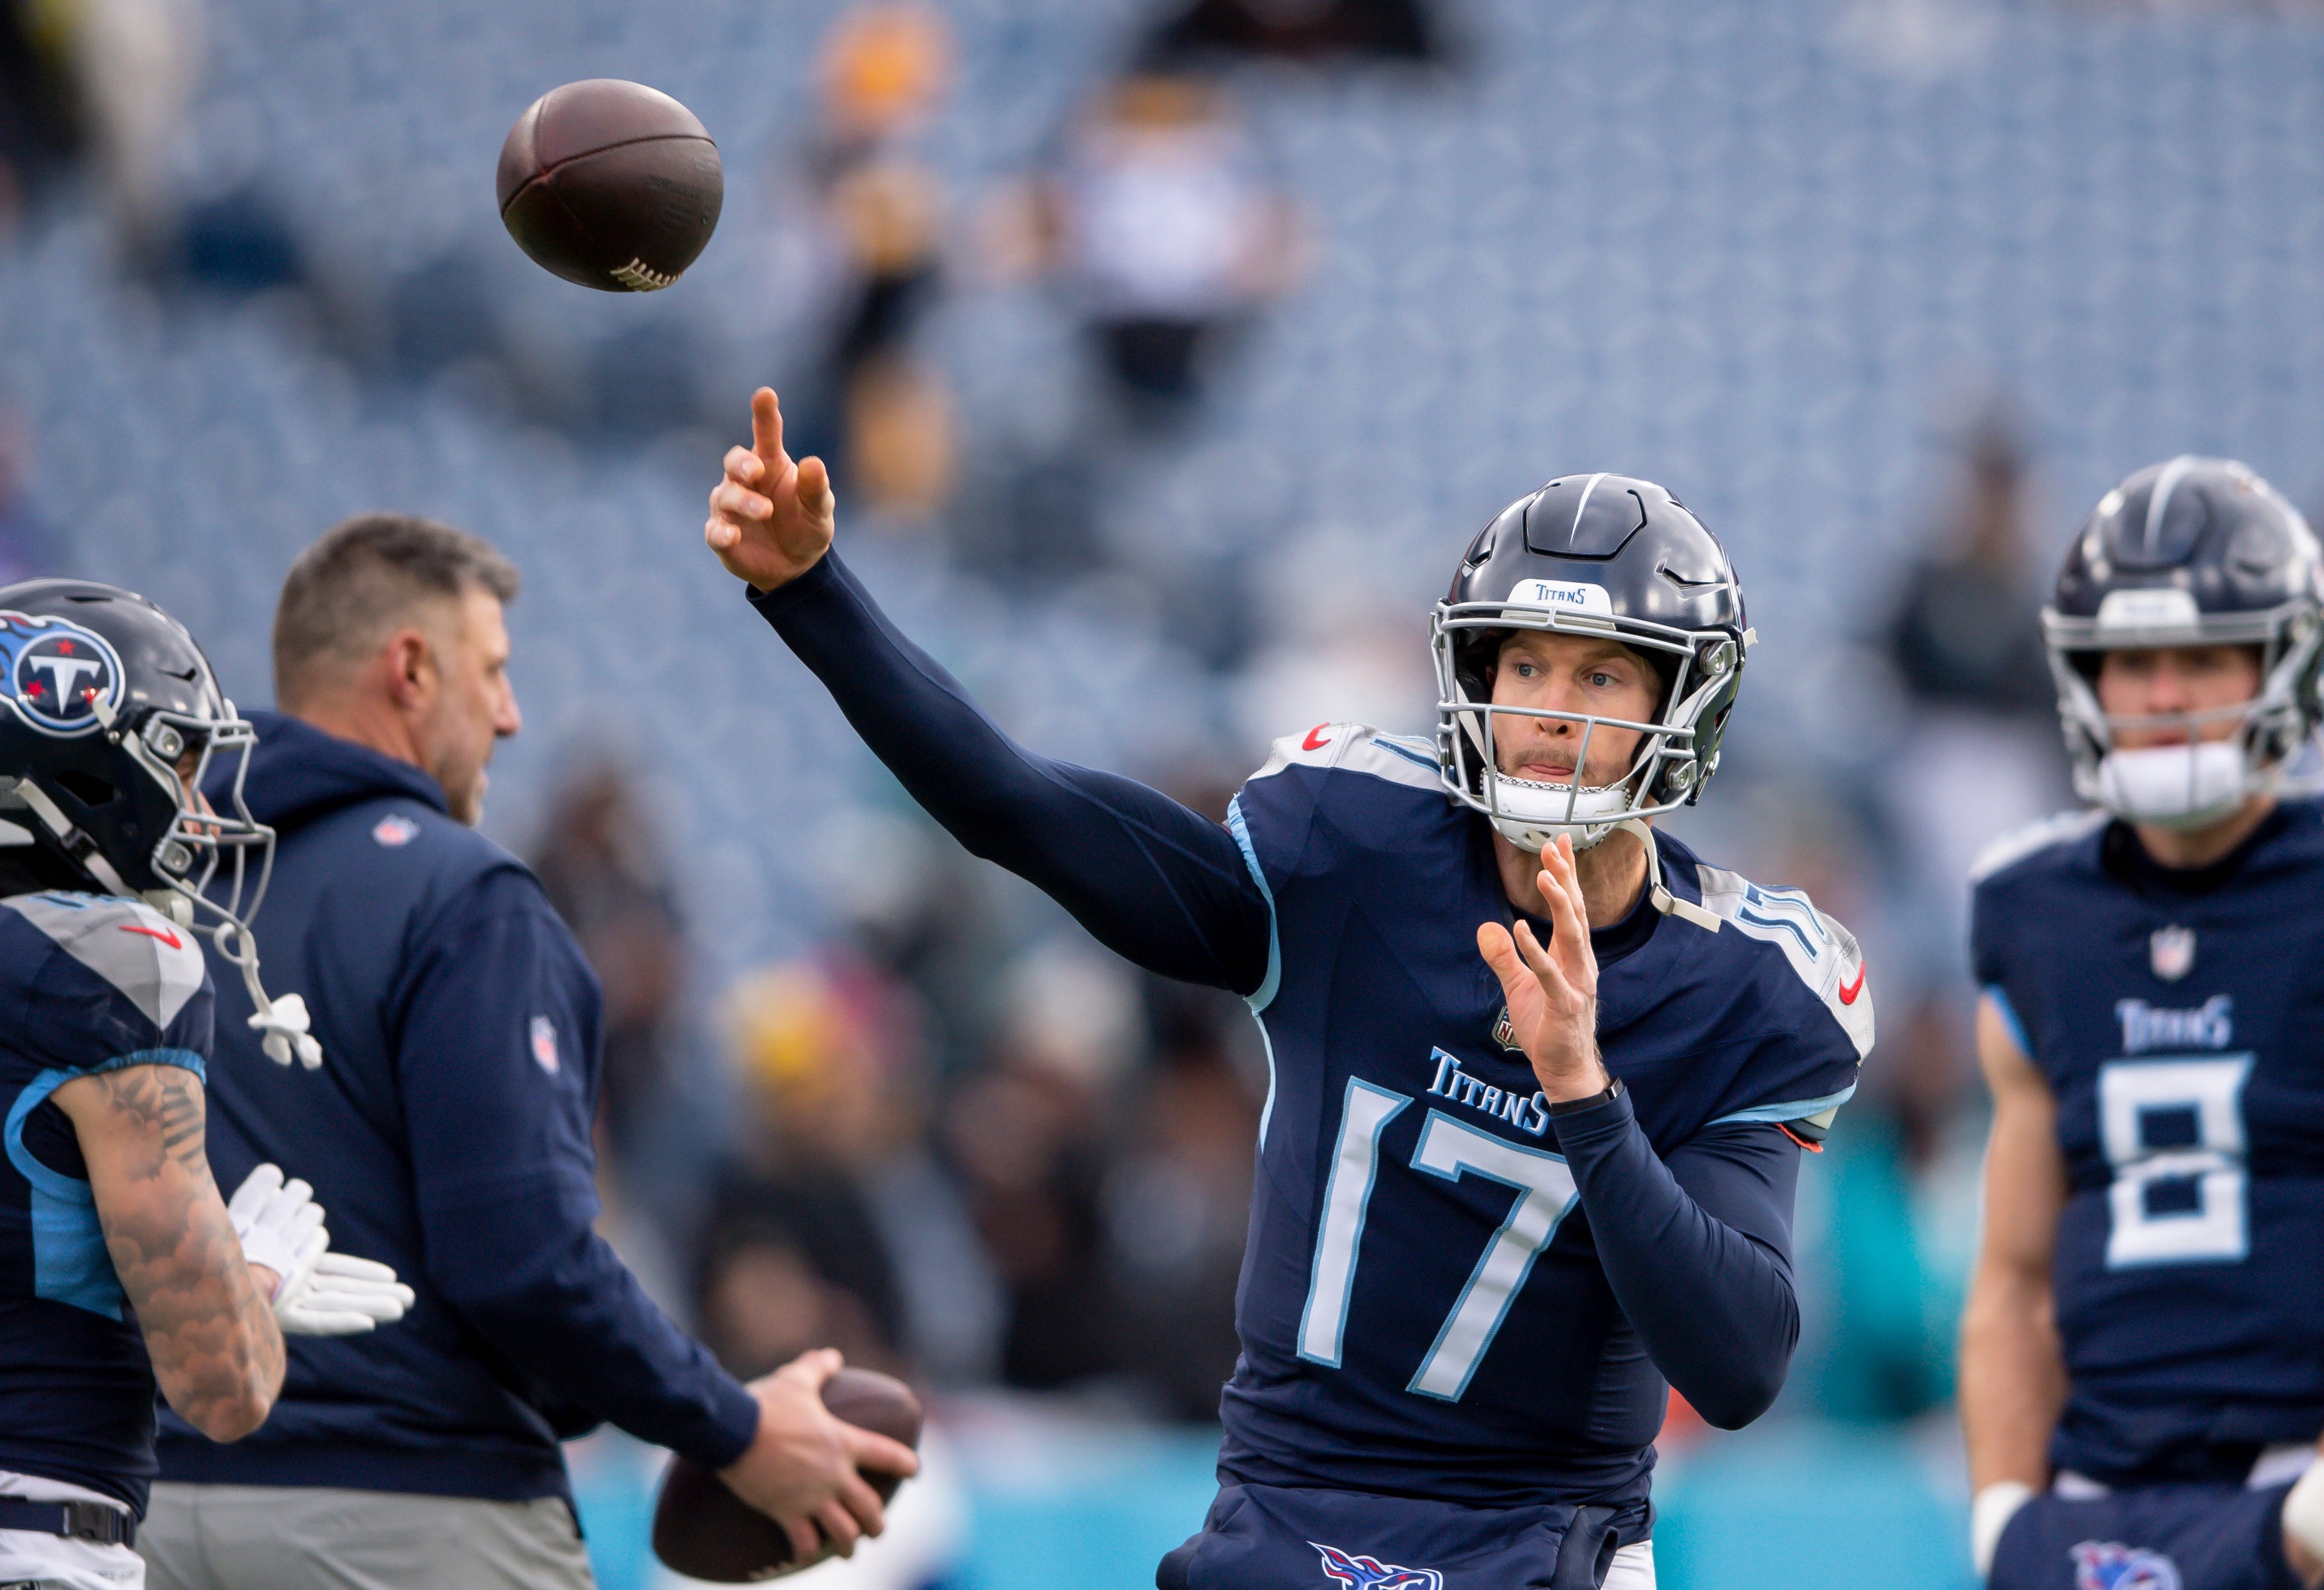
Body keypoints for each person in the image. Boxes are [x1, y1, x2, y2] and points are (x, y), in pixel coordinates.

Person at [703, 392, 1873, 1587]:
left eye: (1599, 677)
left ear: (1680, 708)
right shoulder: (1354, 854)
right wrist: (813, 596)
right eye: (1523, 663)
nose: (1546, 714)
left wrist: (1583, 1089)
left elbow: (1737, 1365)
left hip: (1540, 1542)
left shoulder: (1738, 984)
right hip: (1283, 1512)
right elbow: (1025, 808)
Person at [135, 516, 916, 1590]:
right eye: (493, 672)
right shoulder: (466, 899)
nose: (510, 716)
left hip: (136, 1505)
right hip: (408, 1508)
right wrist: (734, 1424)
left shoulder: (140, 900)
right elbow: (522, 1260)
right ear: (410, 669)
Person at [1962, 456, 2324, 1589]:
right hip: (2105, 1494)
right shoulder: (2030, 906)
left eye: (2200, 658)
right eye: (2130, 661)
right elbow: (2010, 1275)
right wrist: (2004, 1514)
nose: (2159, 696)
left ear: (2282, 666)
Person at [0, 578, 410, 1590]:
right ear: (79, 761)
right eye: (177, 765)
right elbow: (223, 1385)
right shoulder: (115, 963)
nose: (199, 806)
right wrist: (250, 1280)